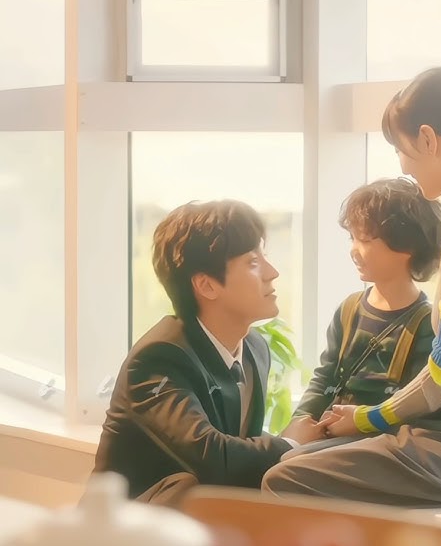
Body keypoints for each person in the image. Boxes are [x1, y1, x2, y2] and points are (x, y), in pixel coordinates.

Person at [263, 67, 441, 506]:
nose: (401, 163)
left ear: (427, 139)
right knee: (293, 463)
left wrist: (366, 418)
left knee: (285, 478)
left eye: (400, 149)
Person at [93, 199, 324, 505]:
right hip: (129, 523)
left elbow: (240, 453)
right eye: (252, 263)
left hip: (204, 515)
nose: (272, 272)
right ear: (207, 285)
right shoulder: (158, 358)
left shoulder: (255, 348)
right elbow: (212, 456)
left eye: (264, 256)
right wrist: (290, 443)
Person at [291, 178, 441, 423]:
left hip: (378, 435)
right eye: (351, 238)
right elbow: (325, 377)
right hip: (331, 428)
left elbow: (416, 403)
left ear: (406, 246)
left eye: (364, 240)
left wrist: (359, 424)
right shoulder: (349, 309)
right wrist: (300, 420)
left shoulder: (429, 323)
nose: (354, 250)